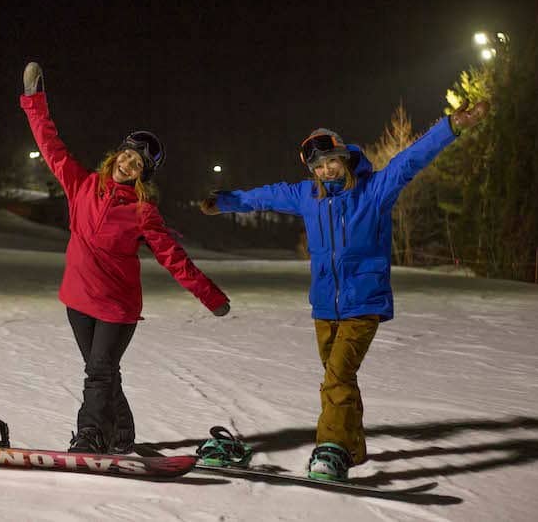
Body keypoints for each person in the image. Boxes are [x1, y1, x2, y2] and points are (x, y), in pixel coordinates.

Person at [200, 99, 489, 480]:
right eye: (317, 167)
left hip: (364, 303)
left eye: (330, 161)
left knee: (336, 378)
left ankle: (331, 449)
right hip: (324, 307)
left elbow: (411, 160)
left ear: (344, 156)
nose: (325, 170)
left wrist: (450, 126)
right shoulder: (309, 196)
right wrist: (224, 202)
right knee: (341, 379)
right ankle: (353, 446)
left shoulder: (375, 191)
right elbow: (265, 195)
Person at [20, 62, 231, 455]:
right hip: (79, 301)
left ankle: (91, 436)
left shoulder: (142, 211)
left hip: (117, 307)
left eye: (138, 164)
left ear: (142, 175)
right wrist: (34, 101)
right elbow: (49, 143)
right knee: (103, 374)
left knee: (98, 373)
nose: (129, 164)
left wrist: (210, 296)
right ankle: (120, 434)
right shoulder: (80, 185)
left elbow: (173, 257)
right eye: (127, 156)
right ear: (116, 155)